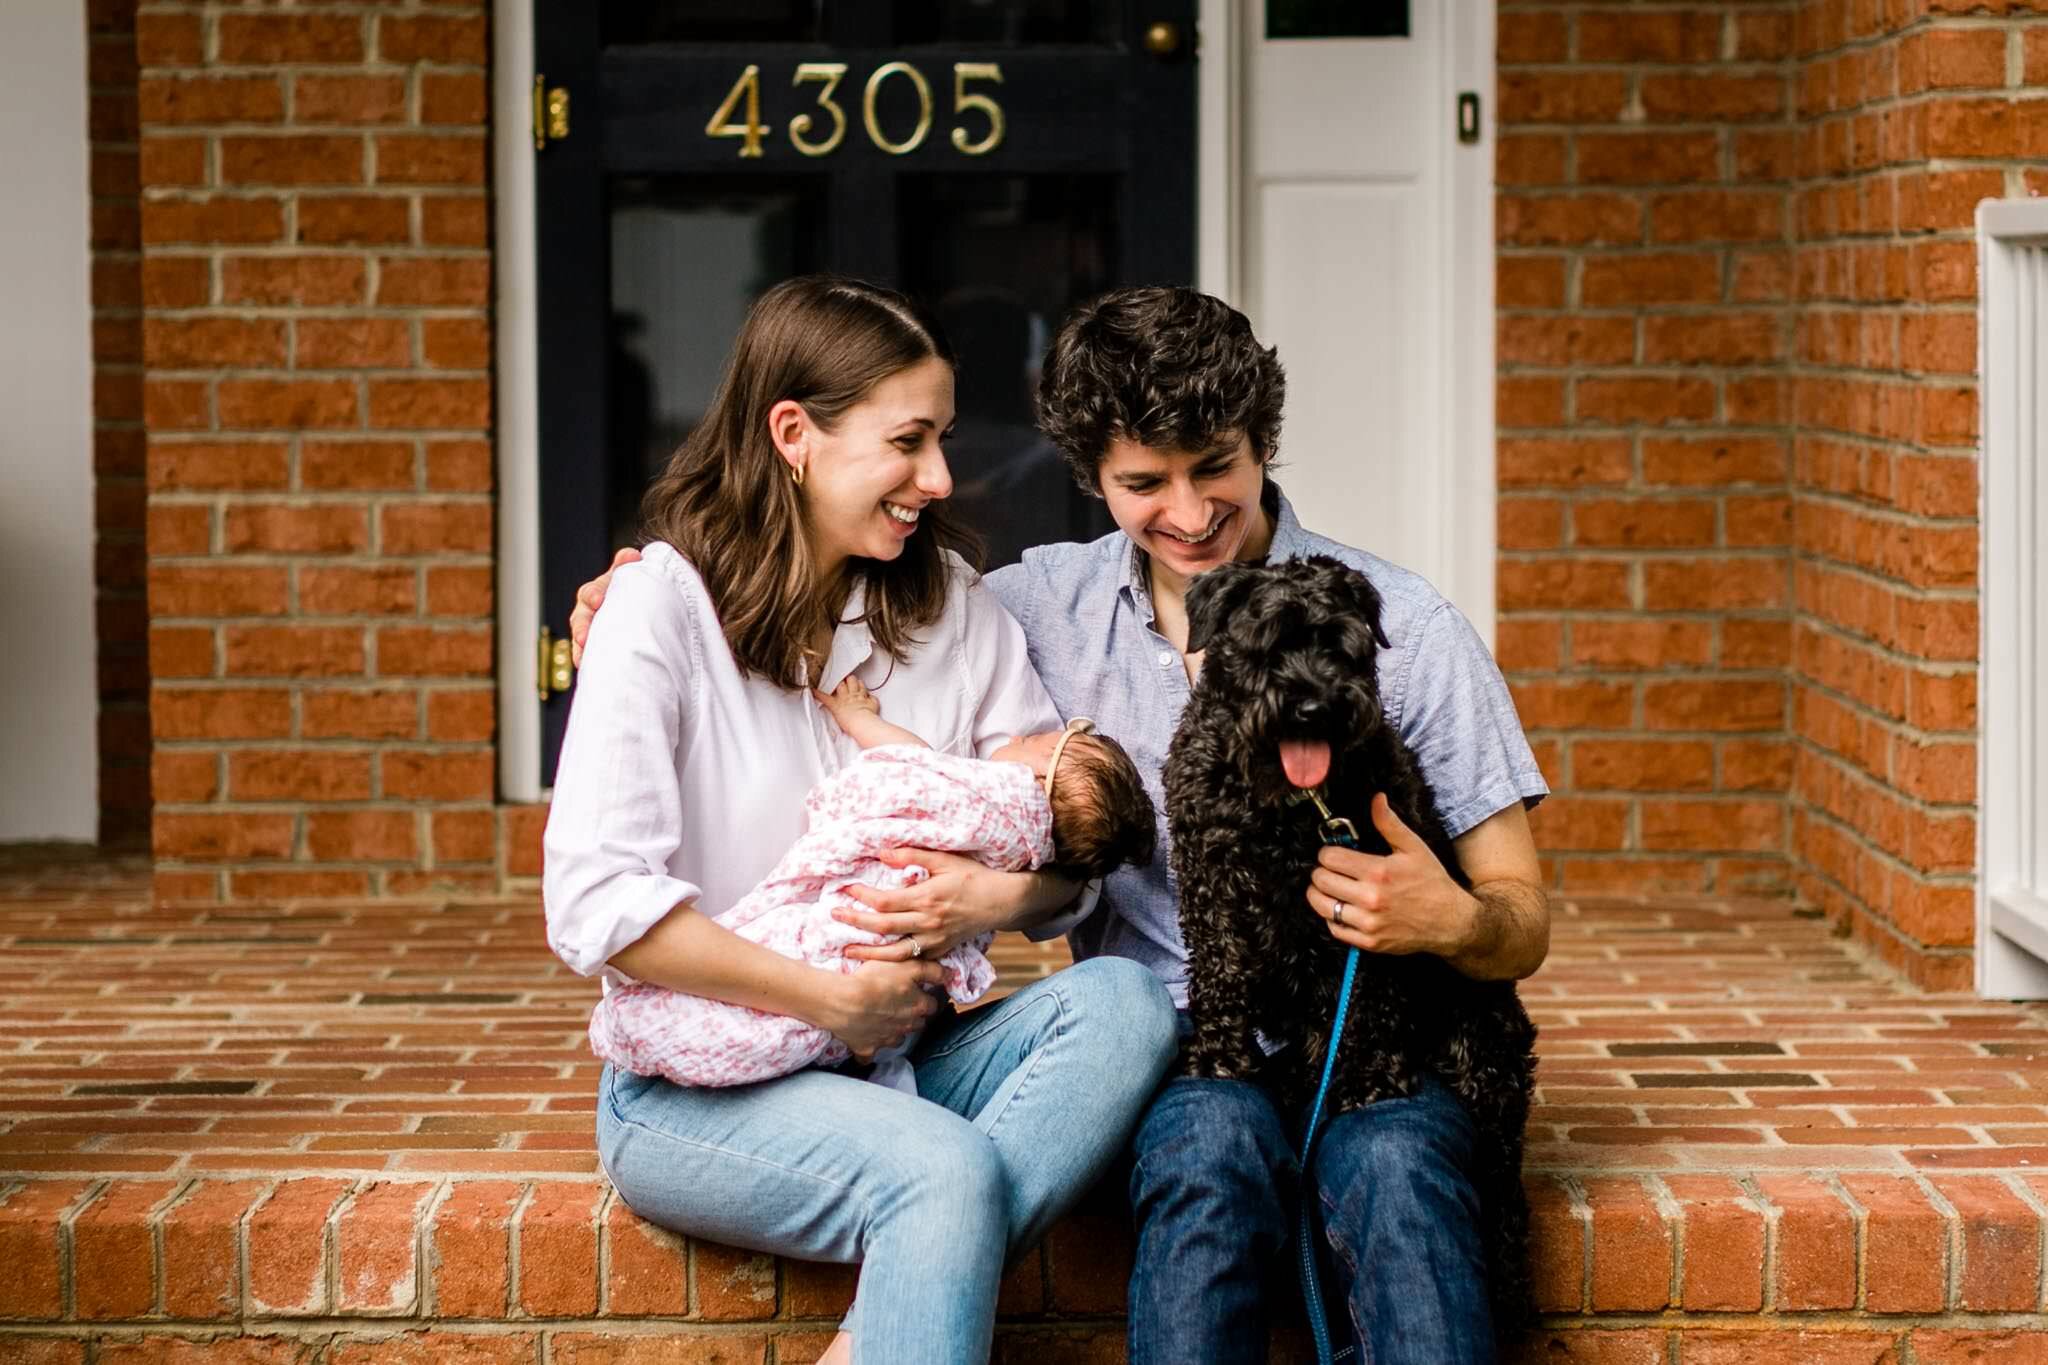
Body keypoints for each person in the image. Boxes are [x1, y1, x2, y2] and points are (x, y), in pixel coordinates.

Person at [574, 286, 1551, 1364]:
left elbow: (1519, 919)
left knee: (1401, 1176)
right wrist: (640, 604)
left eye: (1214, 467)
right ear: (1090, 482)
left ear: (1259, 446)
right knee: (1196, 1167)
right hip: (1192, 1048)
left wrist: (1451, 920)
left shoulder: (1397, 622)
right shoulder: (1033, 606)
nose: (1186, 513)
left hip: (1376, 1037)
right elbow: (851, 590)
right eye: (1143, 483)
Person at [543, 275, 1179, 1365]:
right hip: (696, 1088)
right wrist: (834, 999)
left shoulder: (957, 612)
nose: (938, 476)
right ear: (792, 432)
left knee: (1124, 1004)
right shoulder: (661, 610)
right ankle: (924, 1247)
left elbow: (1063, 865)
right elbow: (595, 908)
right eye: (907, 441)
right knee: (942, 1172)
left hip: (901, 1057)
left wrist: (988, 897)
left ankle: (881, 1327)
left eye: (938, 439)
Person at [592, 675, 1156, 1093]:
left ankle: (648, 1025)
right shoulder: (1026, 850)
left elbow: (905, 764)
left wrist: (858, 720)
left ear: (1041, 777)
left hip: (853, 913)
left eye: (1051, 739)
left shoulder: (1003, 794)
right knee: (806, 1008)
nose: (1040, 730)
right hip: (881, 967)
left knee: (786, 946)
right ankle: (703, 1041)